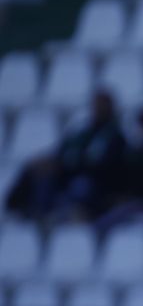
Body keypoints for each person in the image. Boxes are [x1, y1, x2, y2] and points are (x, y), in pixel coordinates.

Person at [4, 89, 126, 223]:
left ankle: (52, 215)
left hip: (93, 182)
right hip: (69, 174)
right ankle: (27, 212)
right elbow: (63, 151)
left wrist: (68, 165)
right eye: (96, 105)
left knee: (81, 186)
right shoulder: (82, 132)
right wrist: (52, 162)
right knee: (39, 171)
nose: (98, 109)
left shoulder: (115, 136)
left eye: (102, 105)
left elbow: (106, 167)